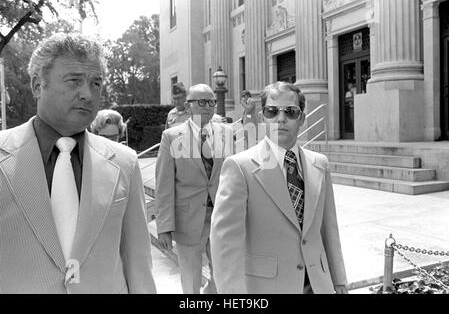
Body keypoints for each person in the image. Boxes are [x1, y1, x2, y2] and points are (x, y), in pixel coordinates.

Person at [0, 33, 157, 293]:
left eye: (96, 83)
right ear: (37, 85)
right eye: (74, 81)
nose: (87, 93)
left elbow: (137, 261)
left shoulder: (124, 163)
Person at [210, 81, 347, 294]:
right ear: (262, 117)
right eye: (272, 111)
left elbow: (329, 230)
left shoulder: (320, 163)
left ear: (301, 118)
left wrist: (339, 281)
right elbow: (225, 246)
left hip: (319, 285)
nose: (281, 119)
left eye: (291, 112)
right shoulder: (239, 167)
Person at [155, 83, 234, 294]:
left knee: (223, 276)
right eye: (201, 102)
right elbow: (164, 184)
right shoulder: (171, 136)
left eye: (211, 102)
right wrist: (164, 226)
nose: (208, 106)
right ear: (189, 106)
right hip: (187, 219)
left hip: (221, 217)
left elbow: (236, 176)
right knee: (190, 280)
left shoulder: (228, 133)